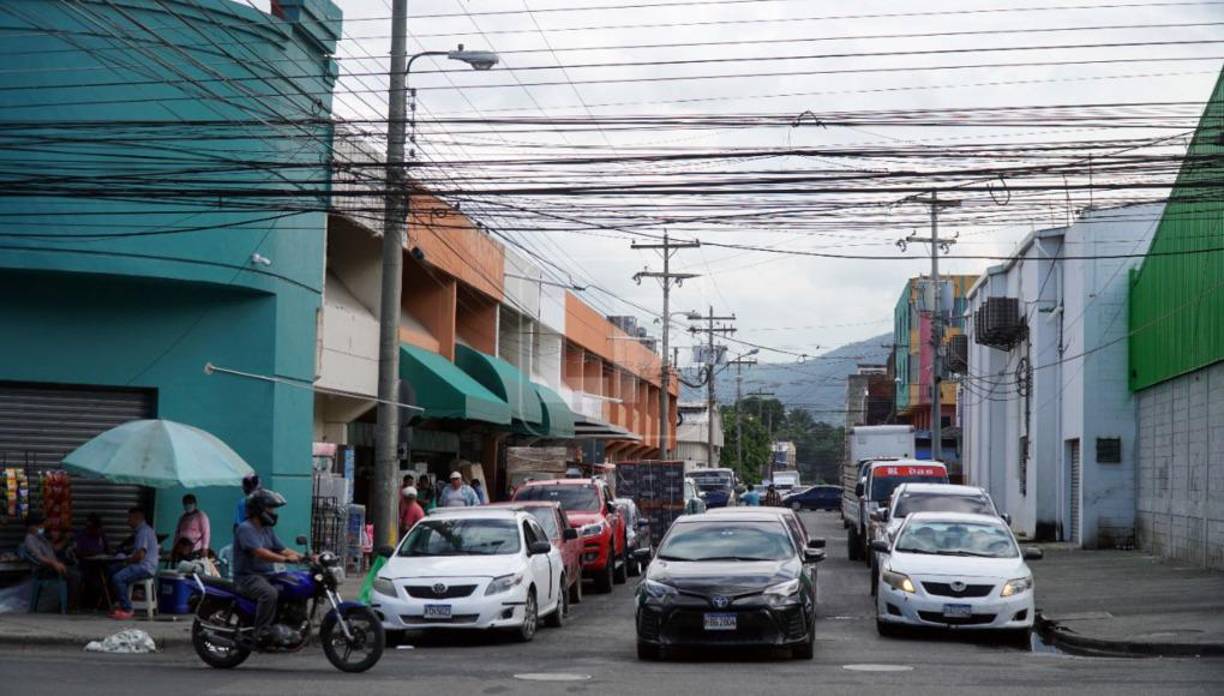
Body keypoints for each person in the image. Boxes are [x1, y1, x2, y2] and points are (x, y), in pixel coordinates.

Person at [233, 489, 304, 644]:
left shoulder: (266, 529)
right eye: (270, 508)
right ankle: (261, 631)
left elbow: (283, 549)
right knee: (269, 593)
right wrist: (285, 560)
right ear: (259, 509)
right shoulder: (245, 528)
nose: (273, 512)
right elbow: (260, 552)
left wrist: (304, 557)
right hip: (247, 577)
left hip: (266, 575)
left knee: (293, 584)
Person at [108, 507, 159, 620]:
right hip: (145, 566)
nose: (127, 521)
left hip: (145, 567)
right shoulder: (144, 531)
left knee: (118, 578)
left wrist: (126, 561)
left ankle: (127, 609)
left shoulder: (143, 531)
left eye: (129, 518)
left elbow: (140, 555)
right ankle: (119, 601)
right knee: (113, 569)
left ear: (137, 518)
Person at [174, 493, 210, 557]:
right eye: (185, 503)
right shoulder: (182, 517)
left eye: (190, 503)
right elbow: (177, 533)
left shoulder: (201, 516)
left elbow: (206, 533)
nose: (188, 505)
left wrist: (205, 547)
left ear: (195, 504)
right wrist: (174, 547)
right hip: (182, 548)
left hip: (196, 549)